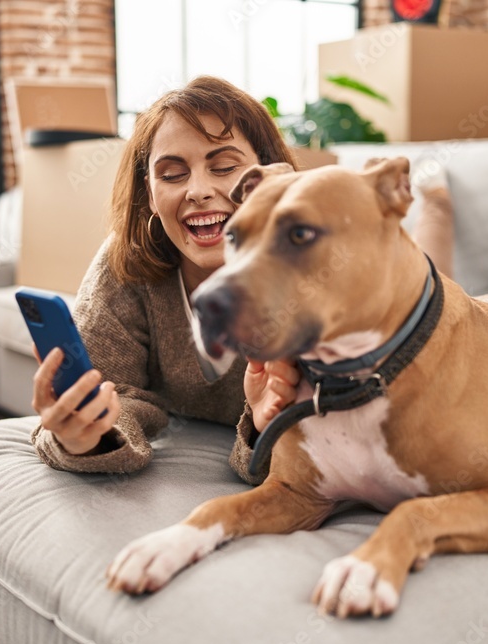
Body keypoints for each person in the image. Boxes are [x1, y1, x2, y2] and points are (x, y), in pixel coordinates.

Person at [29, 75, 454, 485]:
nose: (198, 190)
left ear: (268, 178)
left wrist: (264, 423)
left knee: (430, 271)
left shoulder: (313, 279)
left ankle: (437, 205)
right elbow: (110, 392)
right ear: (150, 193)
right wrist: (88, 437)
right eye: (172, 174)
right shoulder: (125, 264)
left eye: (225, 166)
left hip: (413, 291)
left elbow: (323, 449)